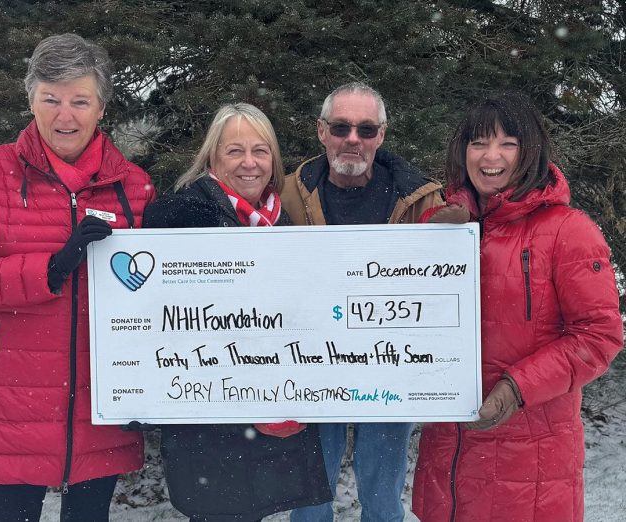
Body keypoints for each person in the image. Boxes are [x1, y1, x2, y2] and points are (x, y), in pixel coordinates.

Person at [0, 33, 155, 522]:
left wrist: (153, 382)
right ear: (31, 98)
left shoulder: (134, 186)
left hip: (99, 406)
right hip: (7, 406)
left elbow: (155, 298)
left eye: (80, 101)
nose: (65, 115)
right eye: (51, 99)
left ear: (102, 107)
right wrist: (50, 269)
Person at [412, 93, 623, 522]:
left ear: (531, 151)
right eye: (478, 143)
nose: (492, 156)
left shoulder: (569, 231)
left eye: (508, 142)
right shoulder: (445, 228)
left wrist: (516, 388)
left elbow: (599, 336)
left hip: (530, 469)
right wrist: (427, 243)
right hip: (448, 463)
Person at [142, 102, 331, 521]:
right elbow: (174, 335)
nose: (250, 163)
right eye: (235, 151)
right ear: (213, 156)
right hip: (209, 434)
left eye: (261, 151)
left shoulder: (280, 224)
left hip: (261, 430)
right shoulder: (179, 218)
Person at [283, 82, 443, 522]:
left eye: (366, 129)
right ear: (321, 131)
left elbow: (444, 288)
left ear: (382, 135)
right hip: (311, 362)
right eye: (341, 127)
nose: (353, 139)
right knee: (311, 495)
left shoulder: (422, 199)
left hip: (391, 365)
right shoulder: (290, 193)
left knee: (383, 493)